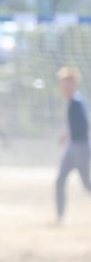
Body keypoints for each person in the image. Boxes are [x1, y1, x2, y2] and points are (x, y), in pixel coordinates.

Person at [55, 65, 89, 222]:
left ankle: (60, 217)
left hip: (78, 148)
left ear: (73, 83)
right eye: (62, 83)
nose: (64, 86)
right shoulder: (75, 101)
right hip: (78, 147)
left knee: (62, 180)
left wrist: (70, 136)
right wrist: (67, 134)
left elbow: (83, 124)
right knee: (86, 184)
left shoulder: (76, 101)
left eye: (67, 82)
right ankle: (60, 216)